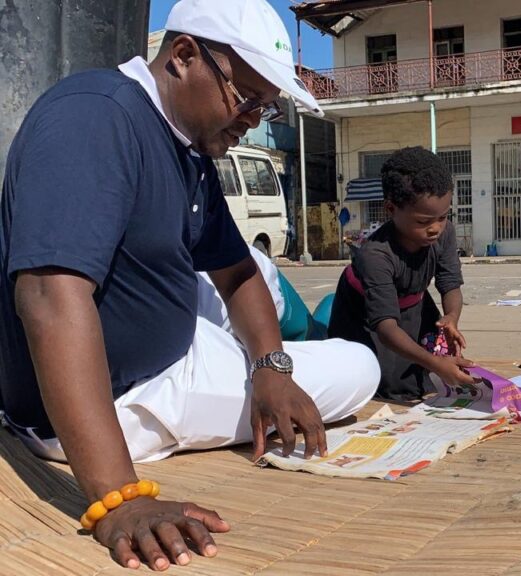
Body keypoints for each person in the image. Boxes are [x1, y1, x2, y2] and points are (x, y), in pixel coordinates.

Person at [0, 0, 379, 571]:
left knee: (262, 272)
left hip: (163, 341)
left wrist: (272, 369)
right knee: (358, 366)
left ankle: (264, 360)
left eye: (267, 106)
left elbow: (237, 271)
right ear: (182, 55)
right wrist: (119, 498)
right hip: (130, 392)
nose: (254, 118)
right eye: (247, 97)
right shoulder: (94, 118)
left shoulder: (187, 145)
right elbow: (50, 296)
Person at [328, 147, 475, 400]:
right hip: (366, 319)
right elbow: (385, 328)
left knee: (429, 377)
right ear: (391, 208)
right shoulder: (376, 255)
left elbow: (450, 283)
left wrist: (451, 317)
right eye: (423, 221)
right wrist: (435, 363)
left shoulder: (445, 232)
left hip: (415, 308)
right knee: (387, 385)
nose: (435, 228)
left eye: (443, 217)